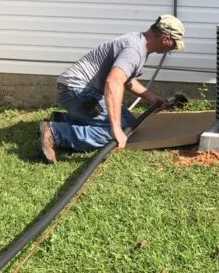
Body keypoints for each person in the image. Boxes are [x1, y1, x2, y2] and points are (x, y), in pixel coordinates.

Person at [39, 15, 185, 163]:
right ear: (166, 39)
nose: (172, 49)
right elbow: (114, 82)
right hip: (77, 90)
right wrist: (116, 129)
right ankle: (56, 133)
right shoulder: (134, 50)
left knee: (129, 122)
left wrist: (151, 97)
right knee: (118, 131)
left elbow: (125, 80)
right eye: (174, 45)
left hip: (80, 89)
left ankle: (65, 119)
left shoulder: (138, 42)